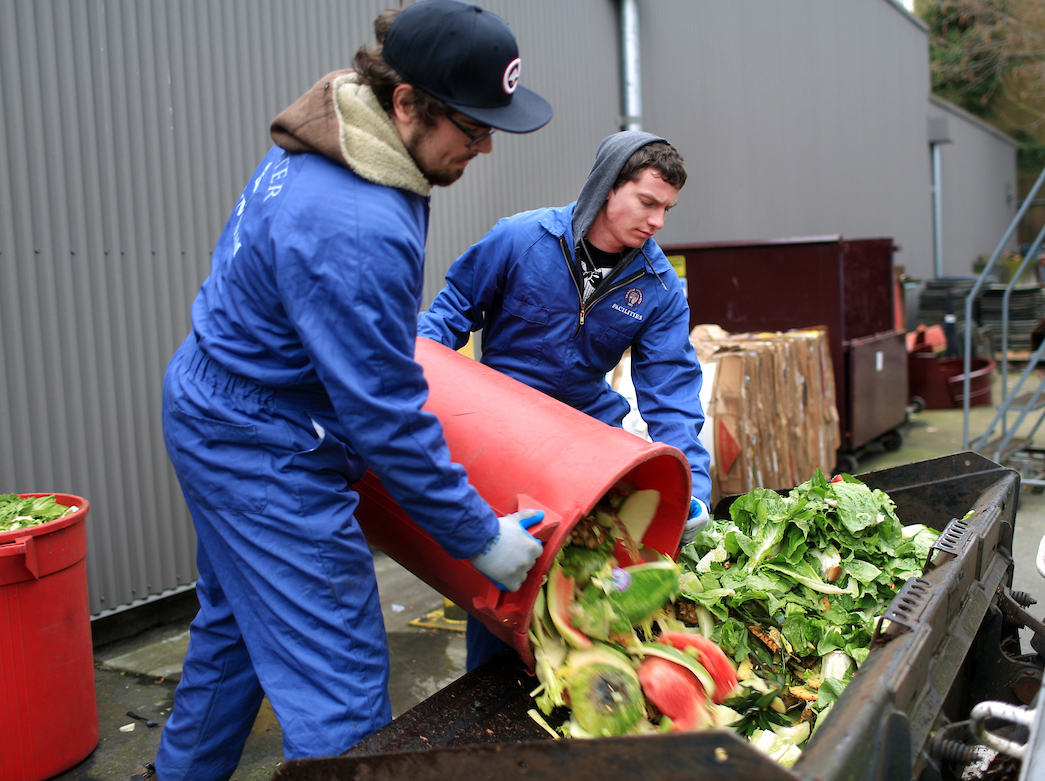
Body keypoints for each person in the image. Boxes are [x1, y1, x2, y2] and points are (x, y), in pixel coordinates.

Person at [147, 2, 553, 779]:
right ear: (407, 102)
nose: (485, 145)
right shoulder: (354, 219)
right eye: (469, 128)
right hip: (260, 442)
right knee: (340, 691)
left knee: (236, 629)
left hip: (218, 398)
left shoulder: (345, 120)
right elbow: (386, 413)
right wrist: (477, 535)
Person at [417, 131, 712, 669]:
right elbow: (449, 313)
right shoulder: (521, 239)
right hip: (502, 427)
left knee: (607, 556)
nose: (658, 222)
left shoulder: (658, 287)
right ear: (607, 188)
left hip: (585, 431)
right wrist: (414, 381)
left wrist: (694, 484)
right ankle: (489, 689)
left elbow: (671, 392)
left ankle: (591, 669)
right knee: (506, 580)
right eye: (647, 202)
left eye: (667, 208)